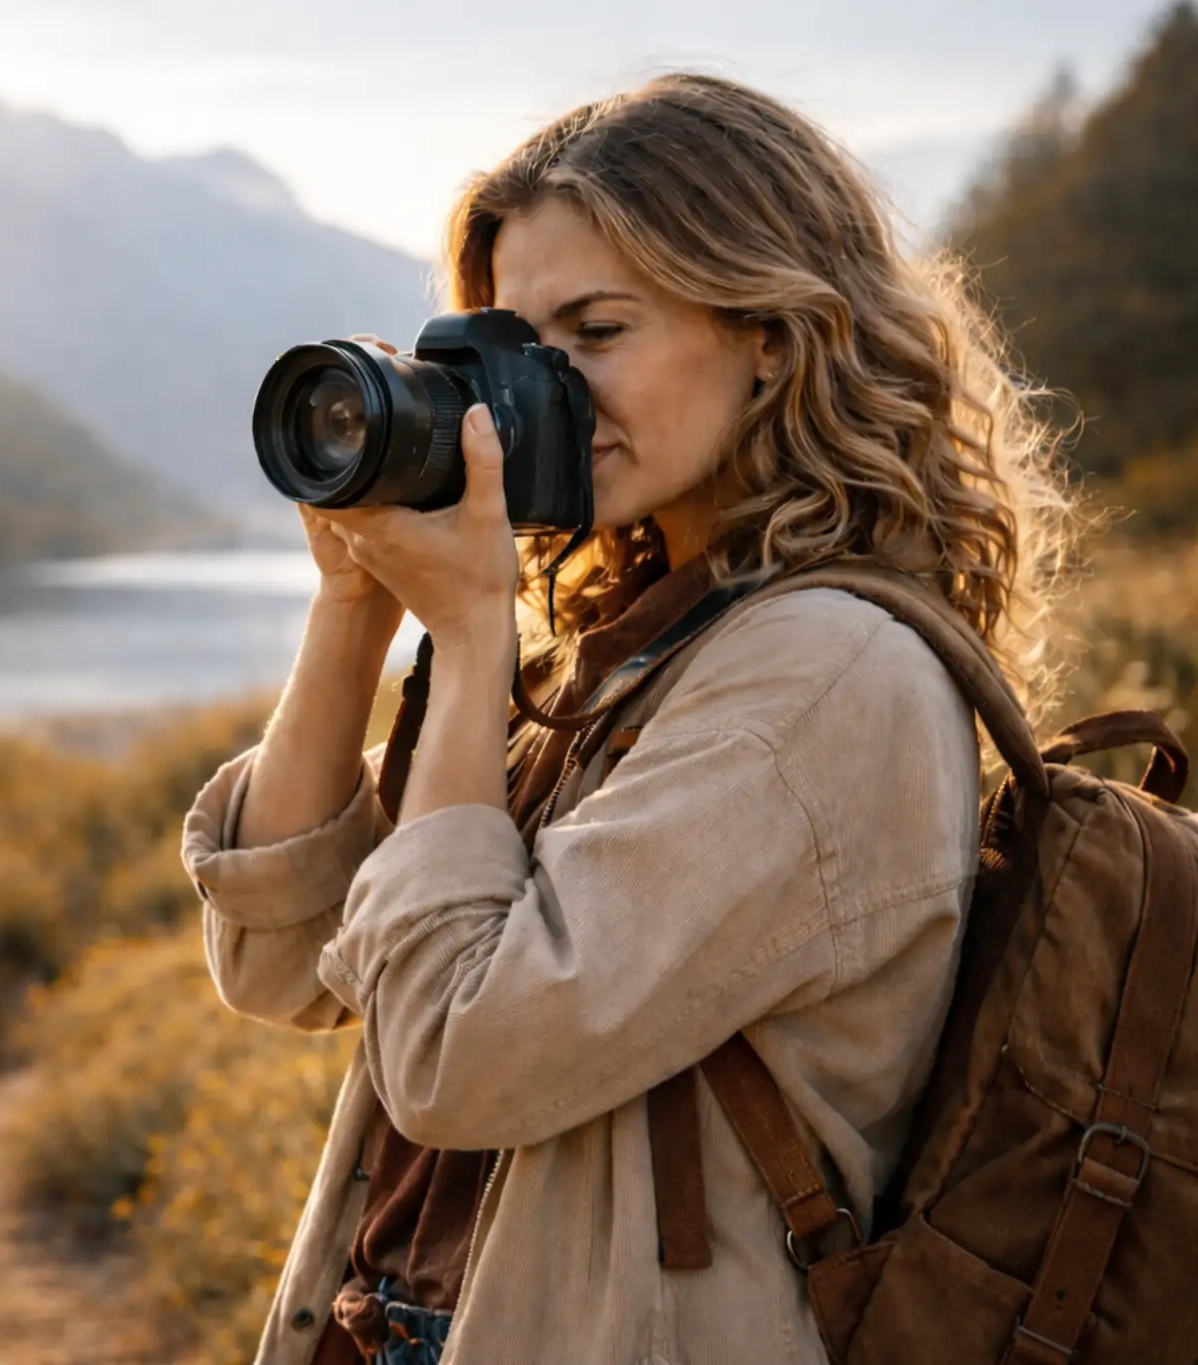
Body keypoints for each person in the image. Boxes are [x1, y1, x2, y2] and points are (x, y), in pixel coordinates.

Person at [180, 73, 1076, 1365]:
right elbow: (276, 960)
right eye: (515, 350)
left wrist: (480, 630)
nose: (541, 394)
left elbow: (456, 1062)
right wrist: (356, 605)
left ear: (771, 330)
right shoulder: (646, 648)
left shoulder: (823, 677)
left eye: (596, 332)